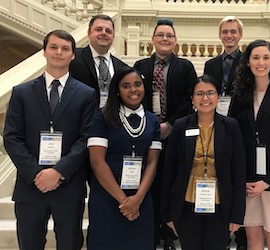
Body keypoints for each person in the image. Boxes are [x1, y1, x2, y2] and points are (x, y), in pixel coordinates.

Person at [3, 30, 97, 250]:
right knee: (30, 244)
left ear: (73, 55)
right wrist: (36, 173)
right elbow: (11, 137)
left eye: (65, 49)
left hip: (68, 184)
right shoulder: (22, 93)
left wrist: (58, 171)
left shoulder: (86, 94)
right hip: (30, 185)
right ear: (44, 51)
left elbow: (86, 138)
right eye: (53, 47)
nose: (59, 52)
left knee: (70, 244)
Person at [161, 74, 246, 250]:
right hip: (186, 204)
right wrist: (168, 213)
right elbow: (169, 171)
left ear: (217, 97)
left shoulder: (231, 126)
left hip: (221, 205)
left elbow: (238, 172)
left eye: (210, 93)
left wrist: (237, 215)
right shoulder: (180, 126)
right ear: (192, 98)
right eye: (199, 94)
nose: (205, 98)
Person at [133, 18, 197, 250]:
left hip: (176, 135)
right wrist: (152, 125)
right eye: (160, 35)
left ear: (175, 40)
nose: (164, 39)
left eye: (169, 35)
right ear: (153, 39)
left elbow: (190, 99)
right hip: (145, 134)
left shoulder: (185, 67)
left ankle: (169, 234)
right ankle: (149, 232)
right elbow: (133, 97)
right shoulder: (140, 67)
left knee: (171, 183)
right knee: (149, 183)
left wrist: (170, 124)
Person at [229, 40, 270, 250]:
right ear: (247, 62)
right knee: (253, 240)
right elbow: (233, 136)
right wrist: (241, 178)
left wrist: (267, 181)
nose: (261, 62)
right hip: (248, 181)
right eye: (255, 57)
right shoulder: (240, 94)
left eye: (266, 57)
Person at [87, 68, 161, 249]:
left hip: (140, 198)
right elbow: (97, 163)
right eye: (126, 86)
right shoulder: (102, 117)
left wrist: (138, 199)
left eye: (137, 84)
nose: (133, 90)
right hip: (107, 197)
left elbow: (152, 162)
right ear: (117, 90)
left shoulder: (152, 120)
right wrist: (124, 201)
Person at [70, 14, 130, 108]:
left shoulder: (122, 67)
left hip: (111, 119)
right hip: (80, 118)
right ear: (89, 33)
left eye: (108, 31)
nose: (104, 33)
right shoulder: (73, 58)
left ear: (113, 36)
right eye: (99, 29)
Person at [204, 16, 243, 117]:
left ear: (240, 35)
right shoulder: (210, 65)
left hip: (240, 116)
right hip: (215, 117)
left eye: (233, 31)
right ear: (220, 35)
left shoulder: (247, 63)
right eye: (225, 32)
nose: (229, 35)